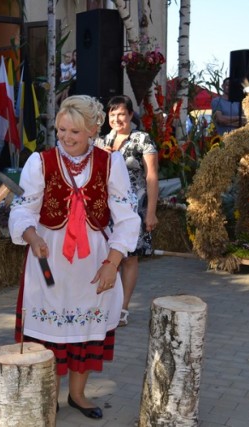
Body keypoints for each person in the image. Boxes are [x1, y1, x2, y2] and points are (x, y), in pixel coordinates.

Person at [9, 95, 140, 419]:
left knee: (86, 331)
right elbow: (22, 208)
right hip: (48, 259)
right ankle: (47, 395)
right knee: (47, 334)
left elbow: (127, 218)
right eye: (61, 130)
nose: (66, 138)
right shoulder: (40, 162)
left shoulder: (112, 163)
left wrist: (113, 263)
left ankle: (78, 395)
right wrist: (32, 235)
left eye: (75, 133)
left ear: (93, 130)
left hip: (94, 263)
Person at [98, 95, 158, 327]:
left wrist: (151, 212)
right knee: (107, 256)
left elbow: (152, 177)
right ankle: (105, 305)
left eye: (121, 114)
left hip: (134, 208)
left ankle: (122, 308)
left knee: (129, 258)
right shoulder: (103, 141)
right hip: (105, 209)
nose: (116, 119)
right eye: (112, 115)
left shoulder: (143, 139)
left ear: (131, 115)